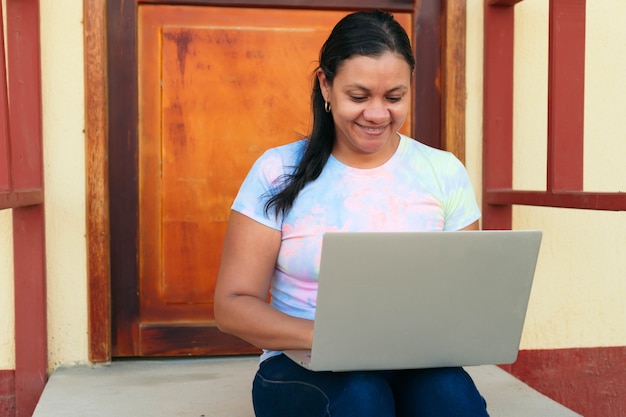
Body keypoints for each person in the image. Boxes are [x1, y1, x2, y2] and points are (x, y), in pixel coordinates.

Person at [214, 9, 488, 417]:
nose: (378, 114)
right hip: (302, 363)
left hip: (412, 362)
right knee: (363, 397)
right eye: (359, 97)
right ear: (326, 85)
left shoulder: (443, 171)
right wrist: (333, 337)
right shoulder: (277, 171)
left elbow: (466, 296)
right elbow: (233, 303)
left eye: (394, 97)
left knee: (452, 397)